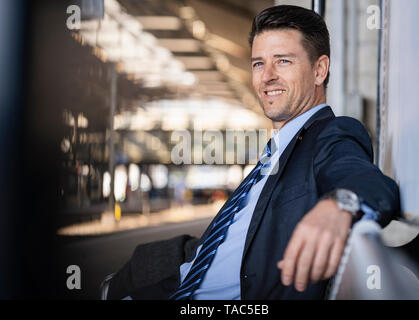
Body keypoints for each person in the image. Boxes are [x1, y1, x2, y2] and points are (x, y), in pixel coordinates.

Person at [106, 5, 400, 300]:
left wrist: (339, 205)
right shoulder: (275, 154)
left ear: (319, 70)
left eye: (282, 61)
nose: (267, 76)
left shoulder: (331, 135)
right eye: (259, 63)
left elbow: (366, 179)